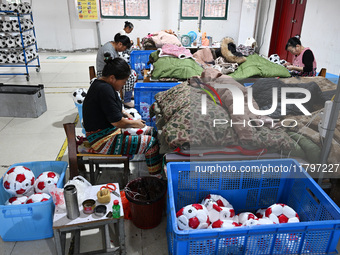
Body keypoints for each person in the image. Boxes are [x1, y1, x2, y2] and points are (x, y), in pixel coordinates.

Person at [83, 57, 163, 176]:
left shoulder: (100, 83)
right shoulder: (104, 90)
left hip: (108, 131)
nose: (124, 84)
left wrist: (126, 114)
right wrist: (135, 123)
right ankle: (156, 178)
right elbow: (117, 122)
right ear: (112, 78)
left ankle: (155, 164)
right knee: (150, 143)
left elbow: (114, 107)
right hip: (102, 140)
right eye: (123, 81)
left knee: (152, 132)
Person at [96, 33, 135, 107]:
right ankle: (127, 100)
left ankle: (128, 94)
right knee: (130, 75)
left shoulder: (113, 46)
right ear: (120, 44)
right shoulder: (108, 50)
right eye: (125, 48)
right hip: (104, 74)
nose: (124, 50)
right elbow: (113, 66)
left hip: (111, 71)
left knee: (132, 72)